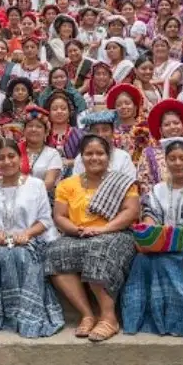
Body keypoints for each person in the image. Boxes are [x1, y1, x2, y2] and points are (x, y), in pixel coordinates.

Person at [0, 139, 65, 338]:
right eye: (1, 158)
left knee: (20, 255)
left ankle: (24, 313)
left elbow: (44, 220)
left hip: (31, 240)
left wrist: (26, 234)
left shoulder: (35, 185)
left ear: (20, 158)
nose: (6, 161)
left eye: (11, 156)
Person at [45, 135, 139, 342]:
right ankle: (87, 314)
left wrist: (104, 229)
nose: (94, 157)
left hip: (116, 234)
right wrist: (77, 230)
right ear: (81, 157)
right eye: (89, 153)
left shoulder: (122, 183)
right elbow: (59, 216)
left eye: (100, 153)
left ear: (108, 157)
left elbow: (131, 212)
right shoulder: (67, 184)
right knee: (53, 252)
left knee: (97, 249)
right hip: (78, 234)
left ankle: (108, 317)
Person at [121, 138, 183, 338]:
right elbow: (150, 214)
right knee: (141, 260)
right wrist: (148, 232)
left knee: (165, 261)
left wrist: (160, 239)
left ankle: (179, 321)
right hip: (162, 242)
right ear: (166, 161)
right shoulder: (158, 189)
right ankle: (144, 320)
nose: (177, 163)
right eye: (172, 158)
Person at [136, 98, 183, 197]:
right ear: (161, 130)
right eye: (167, 125)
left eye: (176, 123)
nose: (173, 127)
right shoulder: (149, 153)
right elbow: (143, 182)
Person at [74, 110, 138, 179]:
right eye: (96, 131)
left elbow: (131, 185)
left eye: (105, 130)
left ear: (113, 132)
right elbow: (74, 183)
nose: (100, 134)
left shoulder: (123, 157)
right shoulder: (81, 158)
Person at [18, 105, 63, 192]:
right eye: (30, 126)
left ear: (46, 132)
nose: (34, 129)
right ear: (24, 131)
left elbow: (49, 183)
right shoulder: (15, 150)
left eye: (39, 127)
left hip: (42, 198)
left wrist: (28, 194)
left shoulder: (52, 154)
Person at [106, 83, 152, 165]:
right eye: (119, 105)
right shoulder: (111, 130)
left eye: (127, 103)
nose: (123, 107)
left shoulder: (145, 127)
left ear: (135, 106)